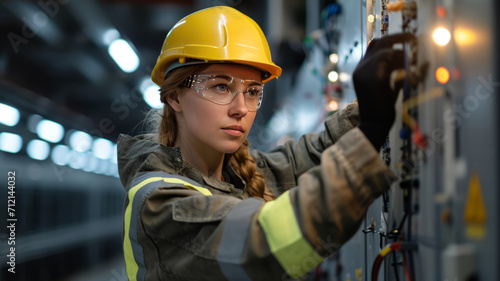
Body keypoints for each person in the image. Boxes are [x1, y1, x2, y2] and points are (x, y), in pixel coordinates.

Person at [117, 5, 415, 281]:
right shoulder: (157, 203)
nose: (241, 108)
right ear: (174, 96)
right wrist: (370, 133)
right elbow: (257, 244)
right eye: (221, 86)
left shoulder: (237, 175)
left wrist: (368, 109)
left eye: (252, 91)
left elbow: (307, 159)